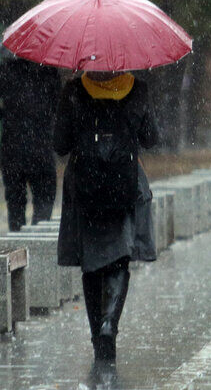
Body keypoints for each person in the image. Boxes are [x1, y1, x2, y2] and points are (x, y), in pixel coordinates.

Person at [54, 69, 159, 366]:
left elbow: (59, 144)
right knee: (119, 257)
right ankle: (109, 325)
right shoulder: (137, 90)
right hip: (123, 185)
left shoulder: (74, 91)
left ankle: (97, 339)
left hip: (85, 188)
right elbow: (151, 139)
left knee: (91, 263)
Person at [0, 55, 60, 231]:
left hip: (13, 146)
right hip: (42, 146)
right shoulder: (49, 70)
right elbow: (58, 106)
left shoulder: (6, 69)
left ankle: (18, 245)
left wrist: (5, 115)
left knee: (15, 202)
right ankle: (37, 241)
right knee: (44, 200)